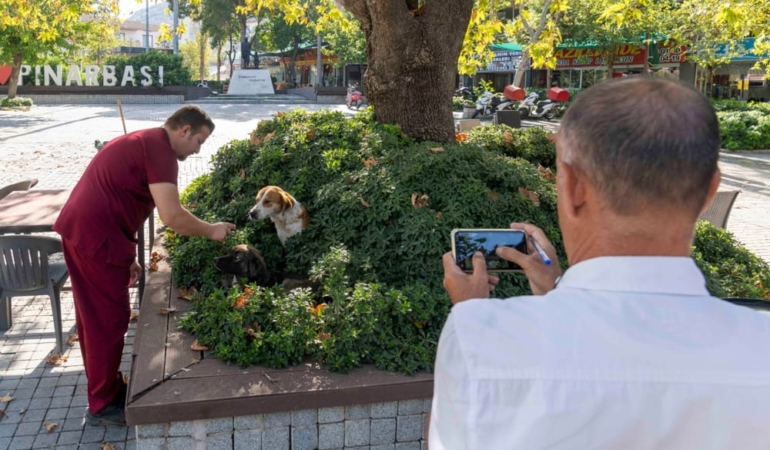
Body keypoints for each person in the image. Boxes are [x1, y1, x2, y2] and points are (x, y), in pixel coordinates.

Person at [430, 78, 770, 449]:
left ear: (573, 188)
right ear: (709, 192)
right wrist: (553, 290)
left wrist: (475, 321)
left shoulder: (482, 339)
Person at [54, 105, 236, 427]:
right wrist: (212, 229)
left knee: (95, 318)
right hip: (95, 238)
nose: (197, 150)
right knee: (106, 321)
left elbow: (121, 198)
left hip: (90, 233)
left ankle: (106, 389)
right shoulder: (160, 150)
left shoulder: (147, 141)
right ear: (184, 130)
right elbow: (173, 216)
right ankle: (101, 405)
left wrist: (128, 257)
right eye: (199, 141)